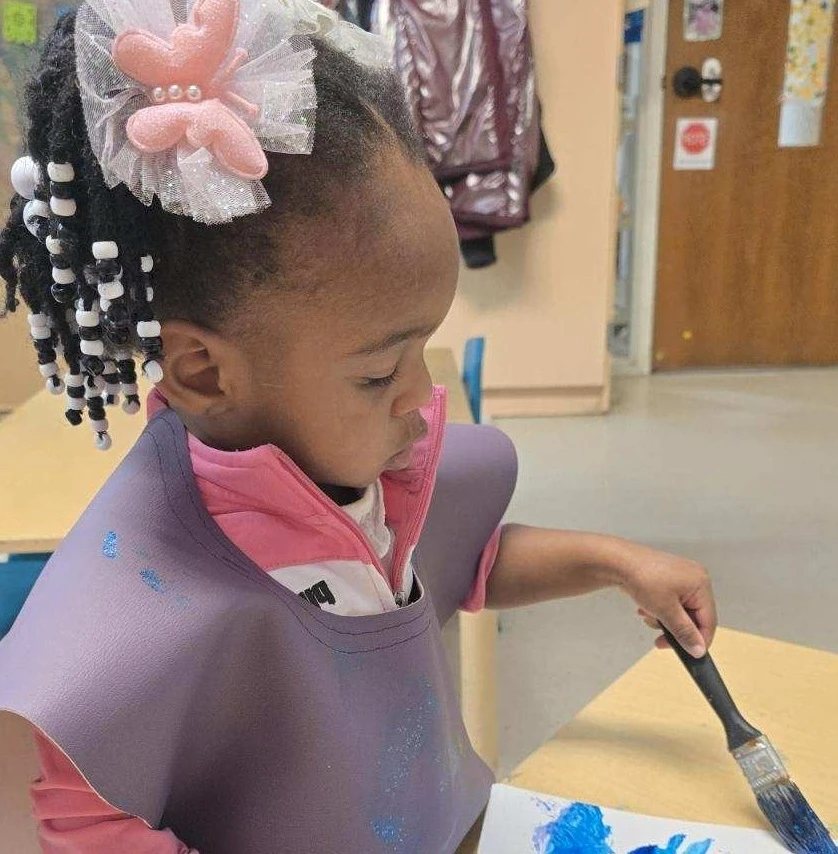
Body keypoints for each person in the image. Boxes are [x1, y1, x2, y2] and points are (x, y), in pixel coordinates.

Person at [0, 1, 717, 852]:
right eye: (379, 371)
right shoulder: (145, 592)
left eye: (425, 348)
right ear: (203, 371)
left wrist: (616, 563)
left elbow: (457, 560)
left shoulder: (358, 470)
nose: (420, 394)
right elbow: (81, 804)